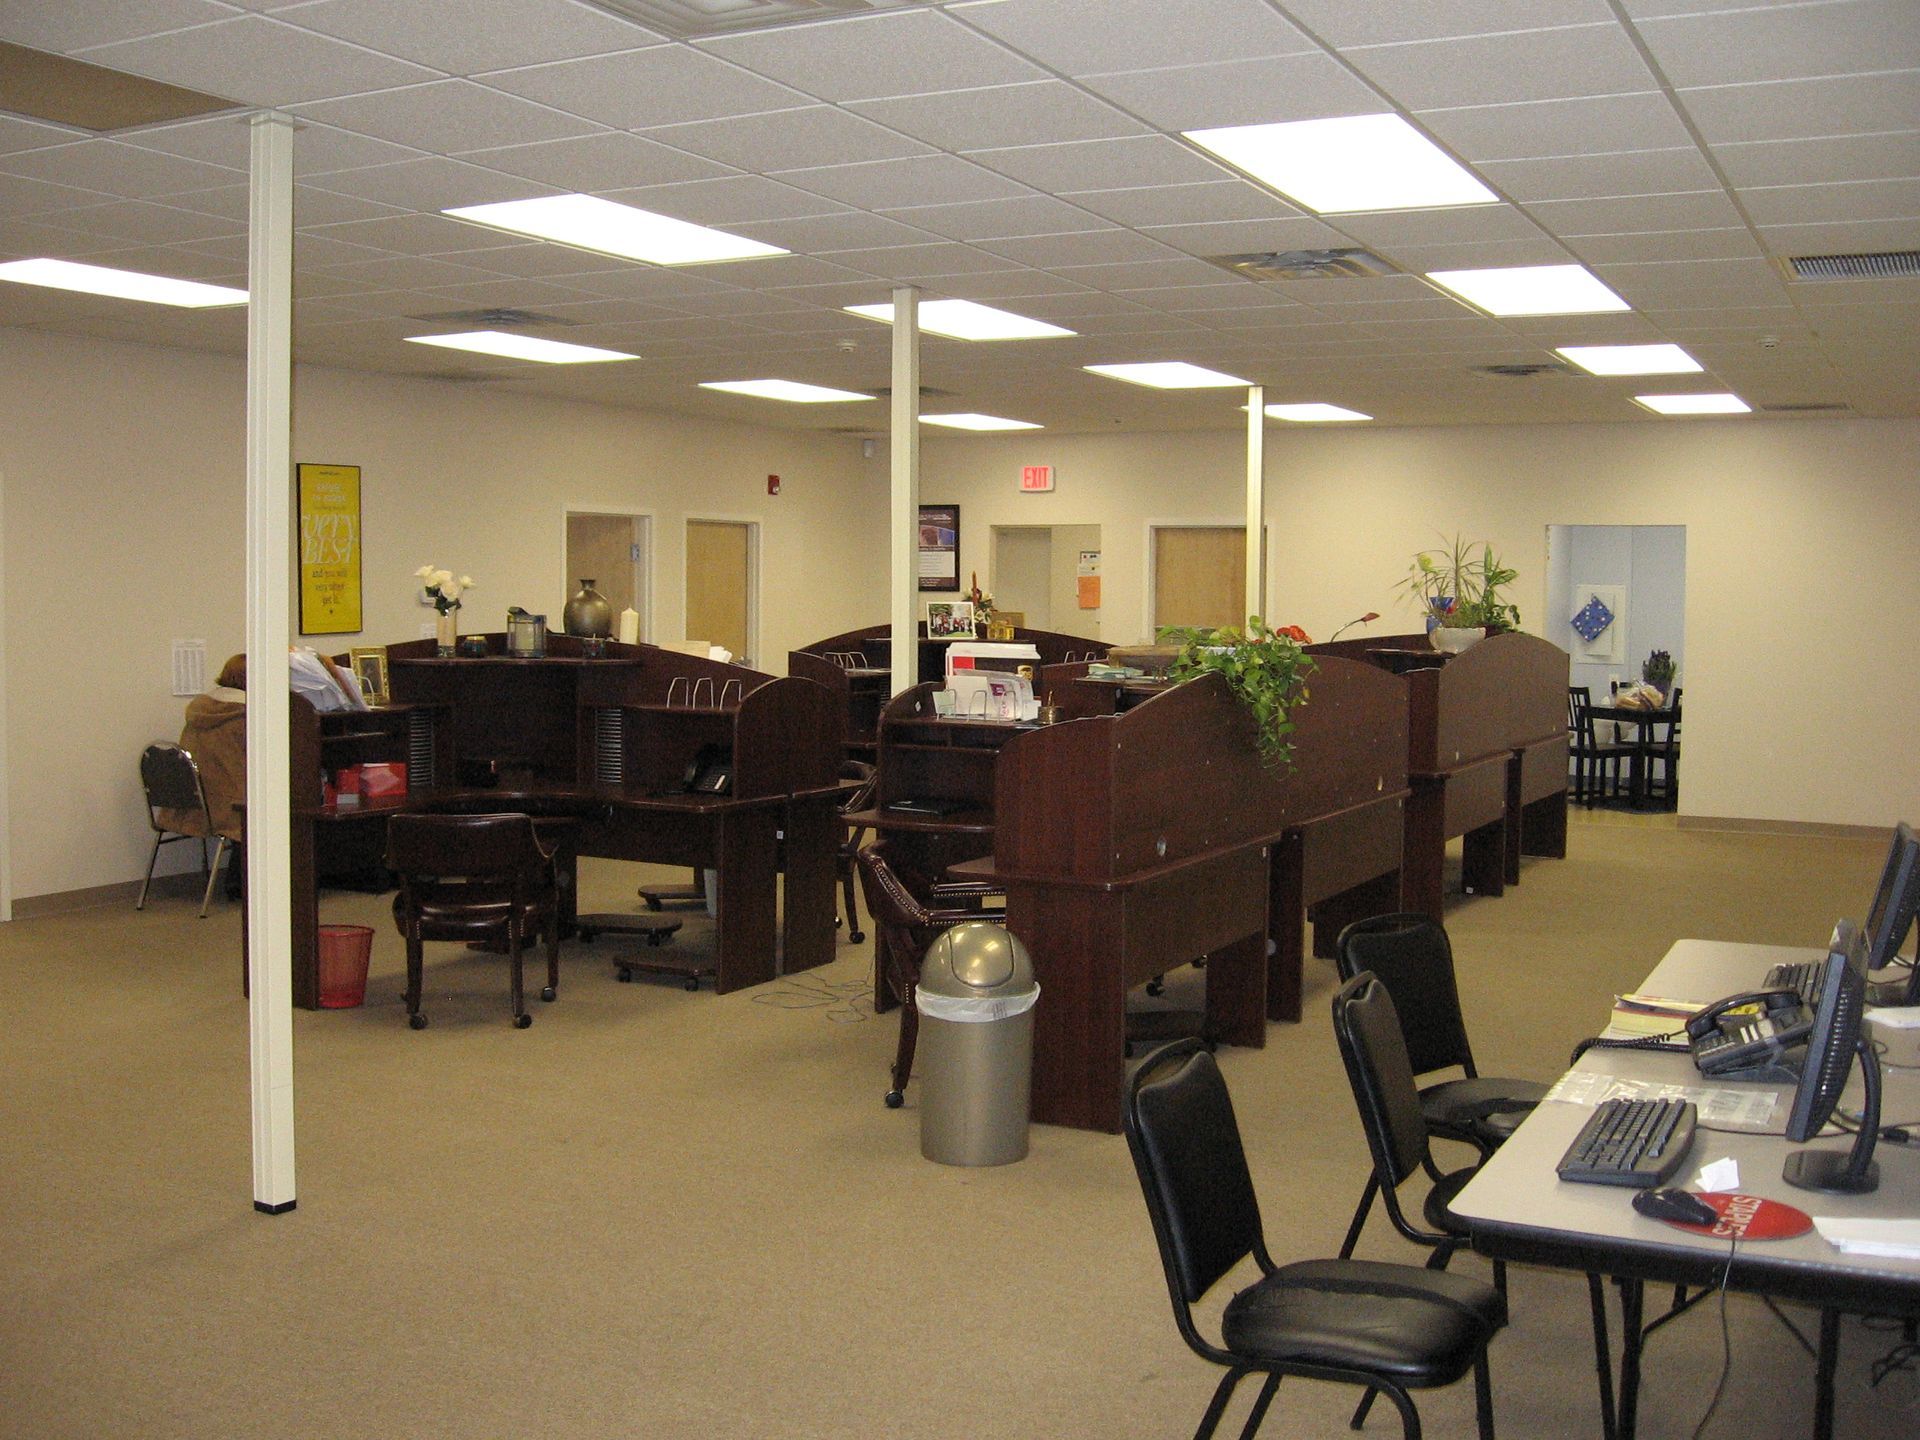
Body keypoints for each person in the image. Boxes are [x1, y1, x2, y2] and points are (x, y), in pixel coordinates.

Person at [160, 654, 248, 897]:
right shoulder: (245, 717)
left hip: (191, 801)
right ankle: (244, 885)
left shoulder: (199, 711)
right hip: (227, 804)